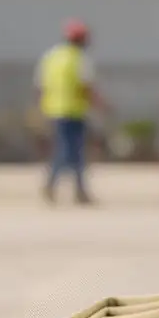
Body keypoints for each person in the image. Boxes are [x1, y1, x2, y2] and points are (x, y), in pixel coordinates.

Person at [35, 19, 106, 204]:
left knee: (70, 152)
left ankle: (77, 190)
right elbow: (86, 87)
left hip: (53, 111)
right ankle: (61, 186)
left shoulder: (52, 57)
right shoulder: (79, 59)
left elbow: (40, 85)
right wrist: (101, 105)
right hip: (73, 112)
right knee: (71, 152)